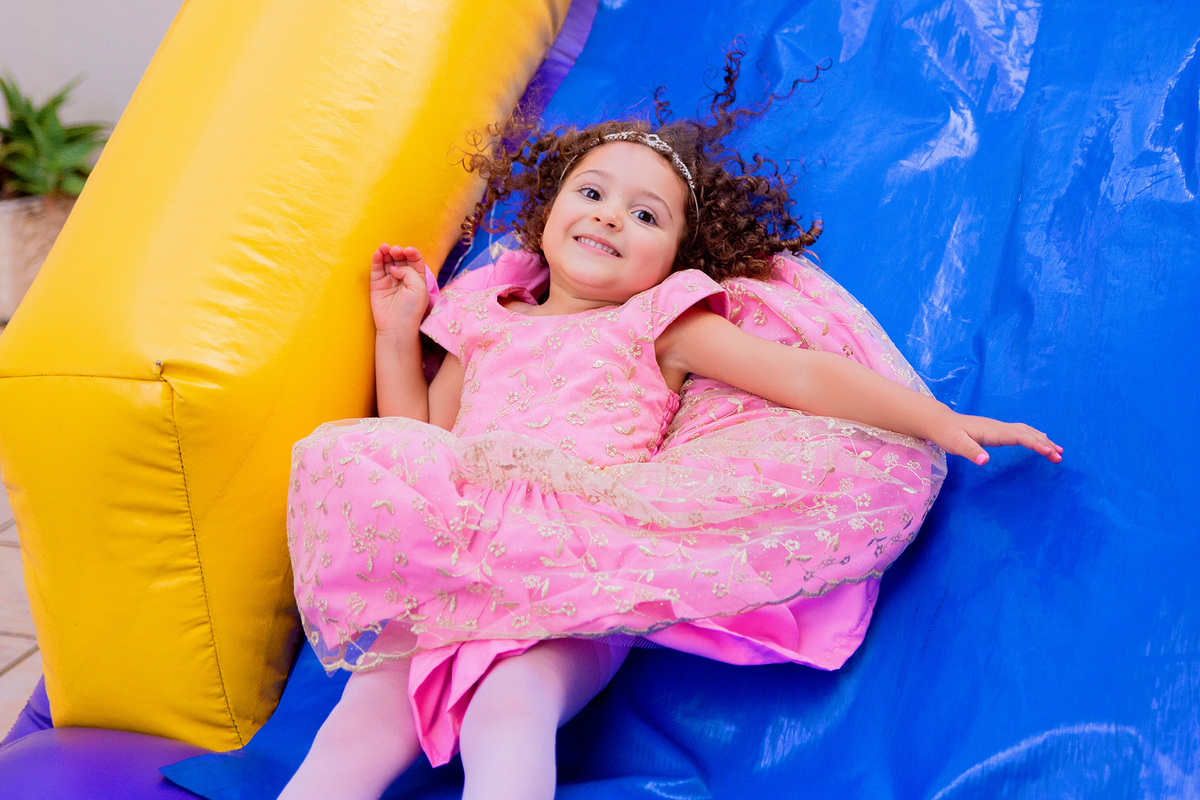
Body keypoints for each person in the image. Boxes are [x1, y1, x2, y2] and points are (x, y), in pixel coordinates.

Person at [278, 56, 1061, 800]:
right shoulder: (486, 320)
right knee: (364, 715)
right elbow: (419, 445)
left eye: (644, 215)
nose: (610, 217)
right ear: (548, 210)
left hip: (580, 564)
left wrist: (941, 416)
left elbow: (800, 375)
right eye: (592, 193)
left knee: (509, 704)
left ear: (676, 258)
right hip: (458, 555)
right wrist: (396, 330)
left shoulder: (658, 324)